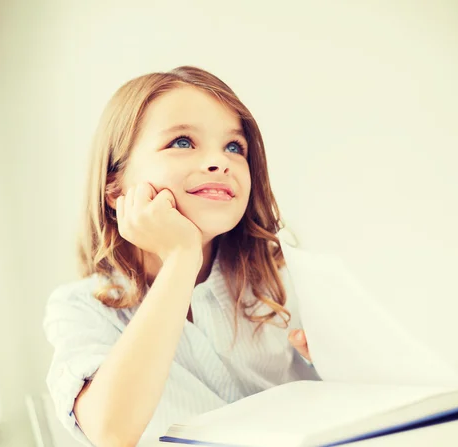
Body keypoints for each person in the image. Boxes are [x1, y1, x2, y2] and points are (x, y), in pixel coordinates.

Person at [43, 65, 319, 447]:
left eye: (234, 147)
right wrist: (180, 258)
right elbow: (110, 430)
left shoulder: (284, 280)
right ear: (114, 186)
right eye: (183, 143)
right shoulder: (80, 308)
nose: (219, 162)